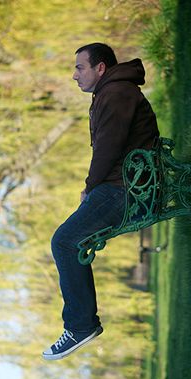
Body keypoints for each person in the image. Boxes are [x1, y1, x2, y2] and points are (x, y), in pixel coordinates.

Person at [42, 43, 159, 360]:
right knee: (67, 240)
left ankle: (81, 326)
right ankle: (81, 323)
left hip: (128, 190)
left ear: (101, 68)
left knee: (65, 241)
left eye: (80, 67)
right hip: (126, 184)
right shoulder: (111, 92)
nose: (74, 75)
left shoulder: (116, 93)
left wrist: (89, 188)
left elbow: (108, 148)